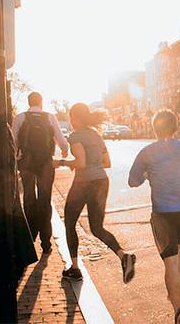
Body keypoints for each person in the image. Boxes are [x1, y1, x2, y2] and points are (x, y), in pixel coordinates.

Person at [129, 109, 180, 324]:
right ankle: (175, 291)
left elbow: (132, 181)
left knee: (170, 260)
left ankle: (178, 308)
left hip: (162, 212)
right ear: (175, 127)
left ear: (154, 129)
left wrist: (146, 174)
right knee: (178, 249)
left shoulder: (147, 152)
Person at [57, 103, 135, 282]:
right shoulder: (96, 135)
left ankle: (75, 269)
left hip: (83, 183)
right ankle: (124, 256)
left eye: (71, 117)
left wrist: (62, 162)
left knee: (70, 223)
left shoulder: (75, 136)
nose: (70, 120)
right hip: (101, 181)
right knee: (97, 228)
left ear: (75, 118)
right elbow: (107, 162)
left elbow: (81, 163)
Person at [13, 92, 69, 254]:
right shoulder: (49, 117)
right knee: (45, 201)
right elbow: (60, 138)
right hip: (46, 164)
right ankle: (46, 243)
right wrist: (65, 150)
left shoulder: (21, 117)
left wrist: (17, 155)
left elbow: (14, 138)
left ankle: (30, 239)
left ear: (29, 102)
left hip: (27, 163)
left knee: (29, 199)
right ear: (41, 102)